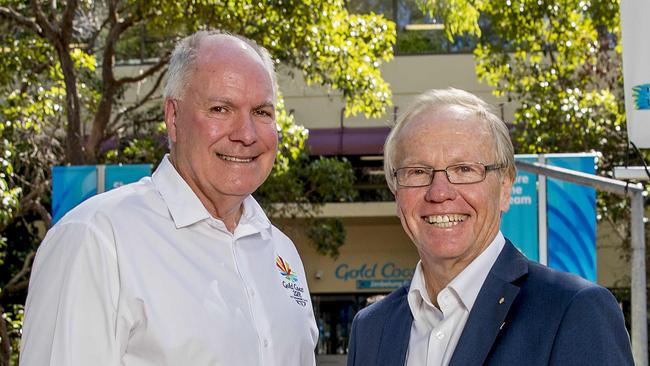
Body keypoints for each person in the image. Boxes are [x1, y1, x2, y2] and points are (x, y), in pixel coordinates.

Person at [20, 31, 318, 365]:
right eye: (221, 109)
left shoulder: (281, 252)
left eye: (262, 112)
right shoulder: (98, 238)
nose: (246, 134)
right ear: (173, 118)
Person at [346, 88, 634, 366]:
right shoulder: (371, 328)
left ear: (506, 187)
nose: (439, 192)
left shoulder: (574, 311)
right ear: (396, 193)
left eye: (464, 170)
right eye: (418, 172)